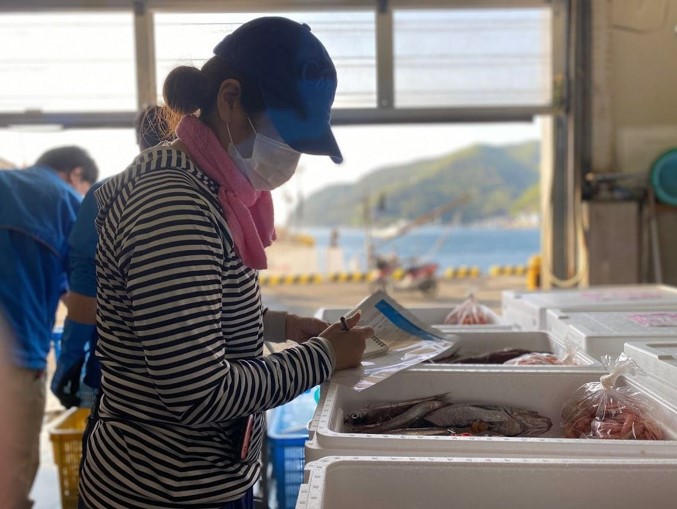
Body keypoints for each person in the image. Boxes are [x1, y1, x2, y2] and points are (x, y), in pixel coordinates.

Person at [78, 17, 371, 509]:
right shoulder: (173, 205)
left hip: (199, 478)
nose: (292, 156)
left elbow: (188, 315)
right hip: (162, 490)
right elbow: (199, 394)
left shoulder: (208, 187)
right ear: (230, 98)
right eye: (288, 134)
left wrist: (279, 324)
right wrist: (324, 358)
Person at [51, 105, 175, 409]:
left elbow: (85, 300)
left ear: (139, 143)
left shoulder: (105, 195)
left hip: (117, 386)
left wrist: (68, 364)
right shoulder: (215, 196)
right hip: (201, 386)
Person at [0, 146, 98, 509]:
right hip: (15, 362)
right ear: (76, 175)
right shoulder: (69, 203)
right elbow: (83, 300)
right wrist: (72, 364)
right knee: (11, 480)